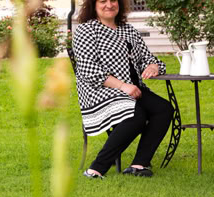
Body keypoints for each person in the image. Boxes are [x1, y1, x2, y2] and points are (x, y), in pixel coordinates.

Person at [73, 0, 174, 179]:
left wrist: (153, 66)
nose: (109, 5)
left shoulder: (128, 30)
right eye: (103, 1)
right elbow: (89, 70)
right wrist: (122, 86)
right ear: (93, 5)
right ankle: (96, 169)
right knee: (135, 114)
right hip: (101, 91)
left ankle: (139, 165)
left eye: (113, 0)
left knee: (163, 109)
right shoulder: (86, 31)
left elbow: (148, 58)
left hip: (134, 89)